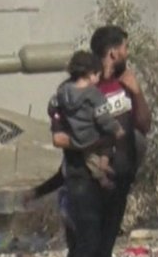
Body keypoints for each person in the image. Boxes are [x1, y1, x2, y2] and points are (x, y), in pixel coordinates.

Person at [49, 25, 151, 257]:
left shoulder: (126, 85)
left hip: (117, 180)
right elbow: (60, 136)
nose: (127, 54)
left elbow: (144, 125)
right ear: (113, 52)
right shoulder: (75, 88)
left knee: (104, 249)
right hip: (82, 180)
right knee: (84, 248)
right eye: (125, 48)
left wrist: (136, 92)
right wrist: (94, 144)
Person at [49, 51, 124, 189]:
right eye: (98, 75)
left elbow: (52, 106)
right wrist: (117, 129)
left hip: (75, 137)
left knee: (88, 157)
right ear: (91, 74)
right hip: (91, 136)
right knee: (108, 138)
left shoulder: (63, 91)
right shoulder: (94, 94)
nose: (98, 79)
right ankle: (104, 163)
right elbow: (103, 119)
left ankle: (101, 178)